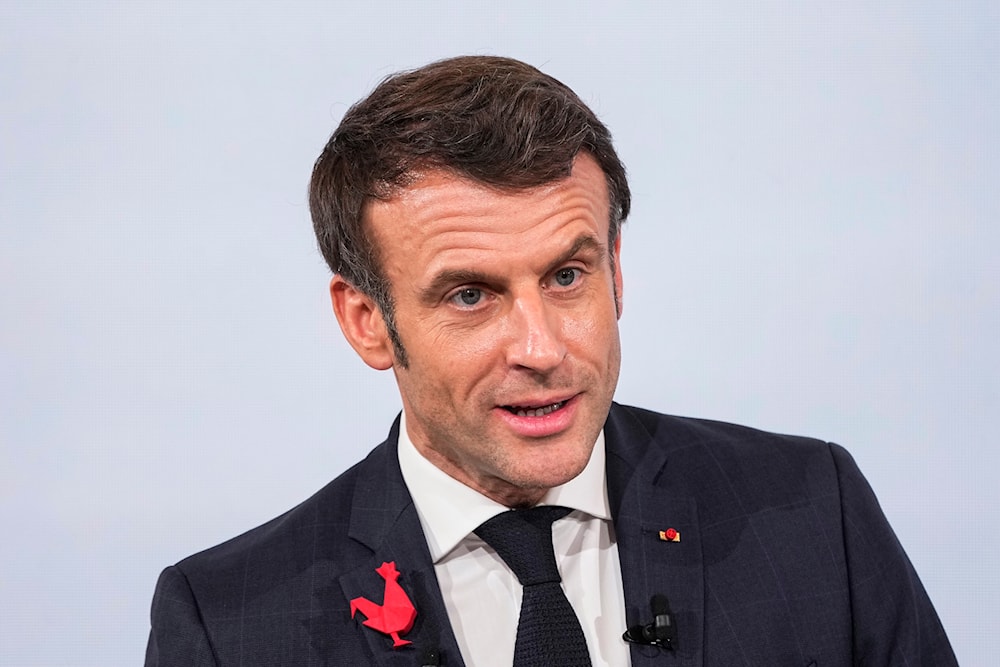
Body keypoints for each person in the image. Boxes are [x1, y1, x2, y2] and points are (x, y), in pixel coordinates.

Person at [145, 55, 957, 666]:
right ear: (367, 322)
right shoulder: (231, 622)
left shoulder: (816, 515)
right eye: (471, 295)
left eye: (567, 275)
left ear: (615, 272)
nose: (542, 348)